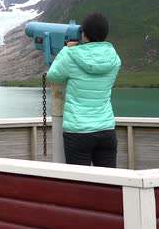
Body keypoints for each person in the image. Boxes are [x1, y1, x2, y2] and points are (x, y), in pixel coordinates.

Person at [46, 13, 121, 167]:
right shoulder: (114, 59)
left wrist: (65, 50)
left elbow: (53, 76)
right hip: (106, 130)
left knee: (80, 186)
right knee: (108, 183)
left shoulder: (71, 55)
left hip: (78, 132)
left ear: (84, 34)